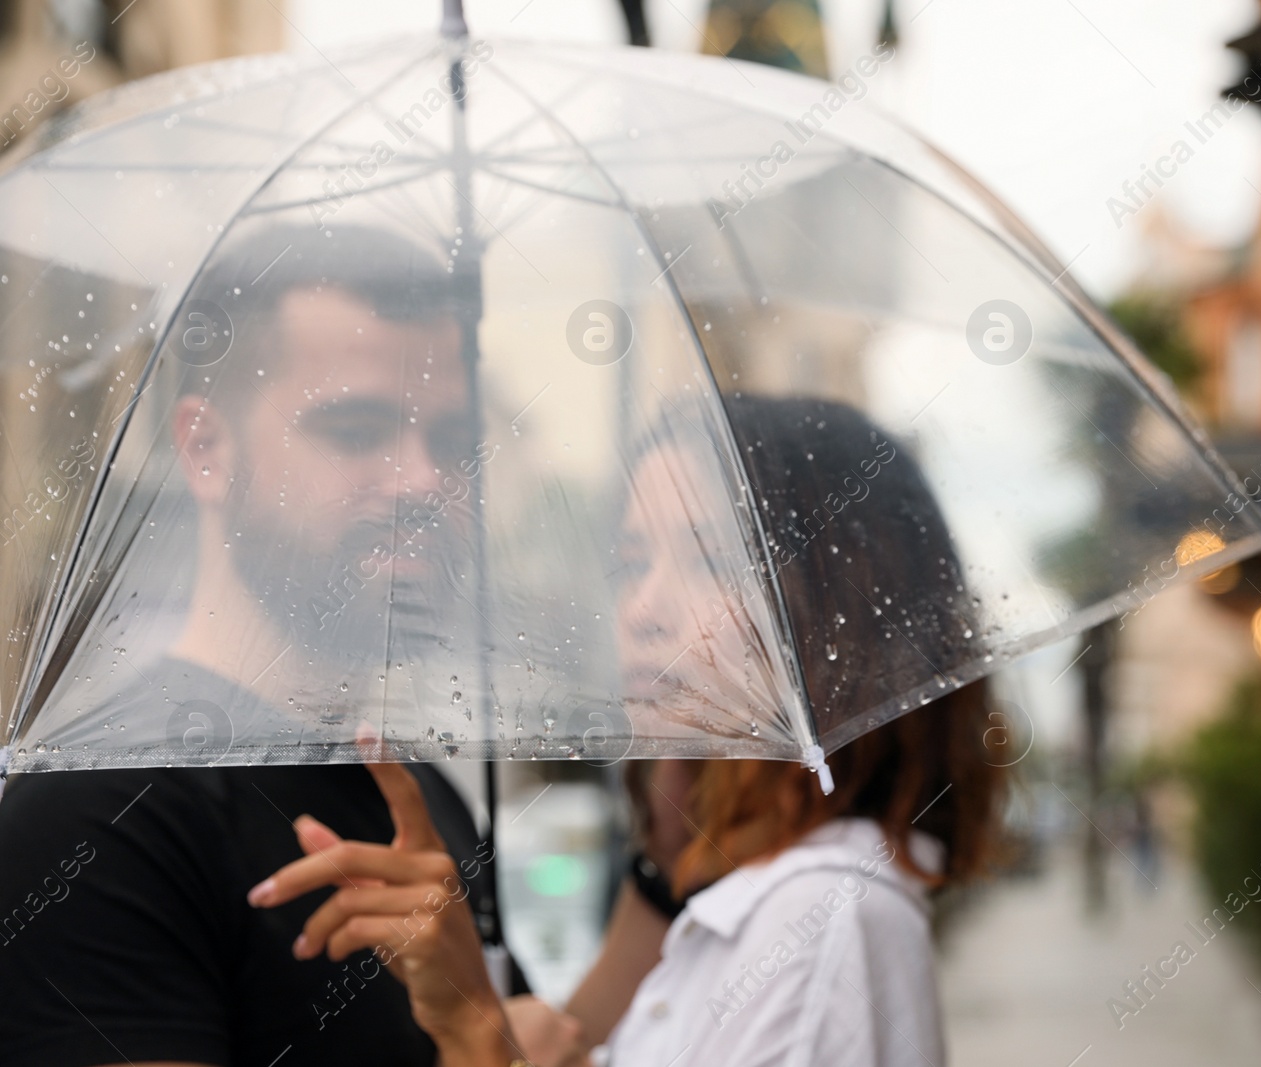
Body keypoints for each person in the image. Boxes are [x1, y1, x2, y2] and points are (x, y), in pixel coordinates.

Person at [0, 224, 550, 1067]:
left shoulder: (425, 803)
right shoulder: (96, 818)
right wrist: (485, 1045)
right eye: (357, 429)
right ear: (206, 449)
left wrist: (491, 1032)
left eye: (449, 440)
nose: (423, 480)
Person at [559, 396, 1011, 1065]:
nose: (643, 611)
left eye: (713, 560)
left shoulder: (818, 915)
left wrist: (478, 1045)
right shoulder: (743, 893)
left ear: (841, 605)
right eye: (631, 563)